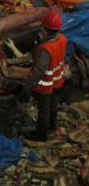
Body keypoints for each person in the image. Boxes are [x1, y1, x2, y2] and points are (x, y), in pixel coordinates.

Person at [24, 11, 67, 142]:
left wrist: (29, 85)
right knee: (53, 105)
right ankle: (52, 126)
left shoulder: (45, 48)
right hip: (58, 80)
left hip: (45, 85)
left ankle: (40, 135)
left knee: (44, 109)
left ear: (46, 29)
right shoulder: (63, 39)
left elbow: (40, 70)